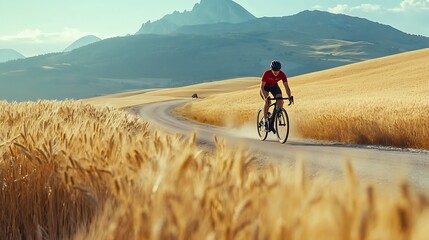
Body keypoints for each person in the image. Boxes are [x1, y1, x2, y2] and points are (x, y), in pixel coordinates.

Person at [260, 60, 294, 132]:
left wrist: (289, 96)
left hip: (274, 86)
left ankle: (278, 113)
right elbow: (262, 87)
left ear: (280, 70)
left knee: (280, 100)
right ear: (271, 69)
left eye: (277, 70)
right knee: (268, 102)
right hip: (265, 87)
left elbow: (286, 86)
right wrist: (266, 97)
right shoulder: (267, 73)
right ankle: (265, 120)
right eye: (274, 70)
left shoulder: (282, 74)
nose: (276, 72)